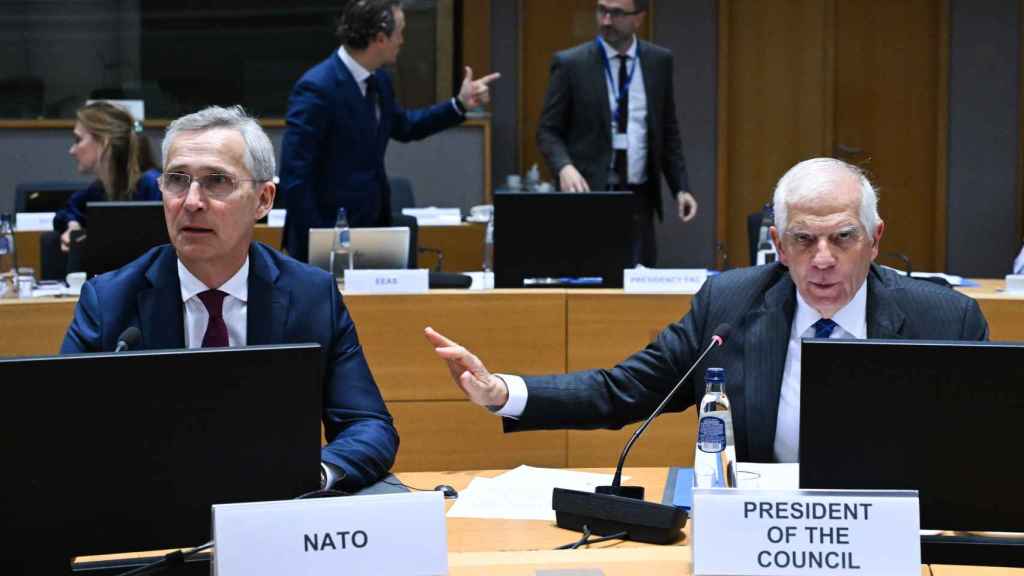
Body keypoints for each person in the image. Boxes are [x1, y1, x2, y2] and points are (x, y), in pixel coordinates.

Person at [425, 157, 989, 463]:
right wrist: (503, 393)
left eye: (842, 238)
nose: (821, 260)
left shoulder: (946, 321)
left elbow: (981, 450)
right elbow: (625, 390)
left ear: (875, 238)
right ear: (776, 242)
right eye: (801, 240)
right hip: (764, 540)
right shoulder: (732, 305)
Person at [61, 105, 397, 491]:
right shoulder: (109, 301)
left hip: (275, 515)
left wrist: (311, 476)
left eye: (217, 181)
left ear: (264, 199)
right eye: (177, 180)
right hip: (149, 511)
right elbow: (63, 429)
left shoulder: (311, 296)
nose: (191, 201)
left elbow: (367, 425)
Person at [279, 0, 500, 262]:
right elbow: (295, 176)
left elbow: (405, 126)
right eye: (400, 32)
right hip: (324, 235)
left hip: (372, 229)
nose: (402, 40)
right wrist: (321, 240)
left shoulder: (379, 80)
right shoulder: (317, 88)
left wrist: (459, 105)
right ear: (380, 38)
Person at [536, 0, 697, 267]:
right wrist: (564, 167)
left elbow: (667, 131)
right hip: (588, 197)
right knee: (589, 284)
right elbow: (547, 130)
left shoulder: (658, 61)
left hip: (639, 198)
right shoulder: (571, 63)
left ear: (638, 18)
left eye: (617, 13)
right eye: (602, 10)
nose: (606, 20)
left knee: (638, 286)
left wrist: (681, 187)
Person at [55, 101, 161, 253]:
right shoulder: (98, 189)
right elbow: (65, 212)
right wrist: (73, 225)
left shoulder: (153, 185)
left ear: (104, 142)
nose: (72, 151)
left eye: (78, 140)